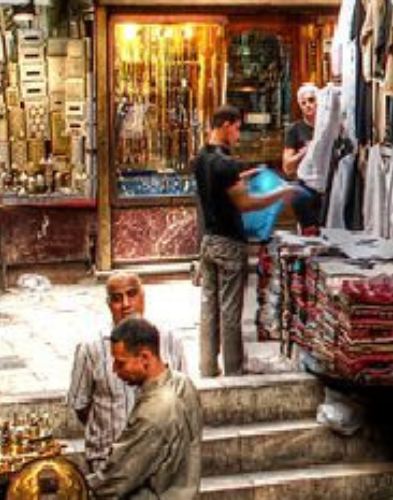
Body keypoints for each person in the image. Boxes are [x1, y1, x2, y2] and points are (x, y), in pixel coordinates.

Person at [193, 106, 298, 377]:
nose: (238, 135)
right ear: (226, 125)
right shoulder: (225, 164)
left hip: (208, 240)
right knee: (230, 310)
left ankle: (207, 366)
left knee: (209, 307)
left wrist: (243, 176)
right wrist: (280, 193)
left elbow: (220, 185)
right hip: (229, 241)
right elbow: (246, 203)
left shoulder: (202, 157)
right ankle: (233, 368)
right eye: (237, 128)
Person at [67, 272, 187, 474]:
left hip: (159, 461)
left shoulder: (170, 341)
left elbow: (180, 397)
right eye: (117, 298)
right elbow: (81, 405)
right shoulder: (91, 348)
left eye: (132, 295)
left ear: (143, 296)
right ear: (108, 304)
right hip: (108, 460)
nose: (126, 304)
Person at [90, 318, 205, 499]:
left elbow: (117, 480)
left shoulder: (153, 413)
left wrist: (77, 484)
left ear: (144, 357)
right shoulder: (183, 382)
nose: (114, 370)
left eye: (120, 363)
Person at [282, 84, 326, 228]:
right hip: (306, 183)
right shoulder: (294, 130)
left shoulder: (328, 127)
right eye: (303, 103)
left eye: (311, 100)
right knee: (298, 196)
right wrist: (305, 152)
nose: (308, 105)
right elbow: (287, 167)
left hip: (329, 182)